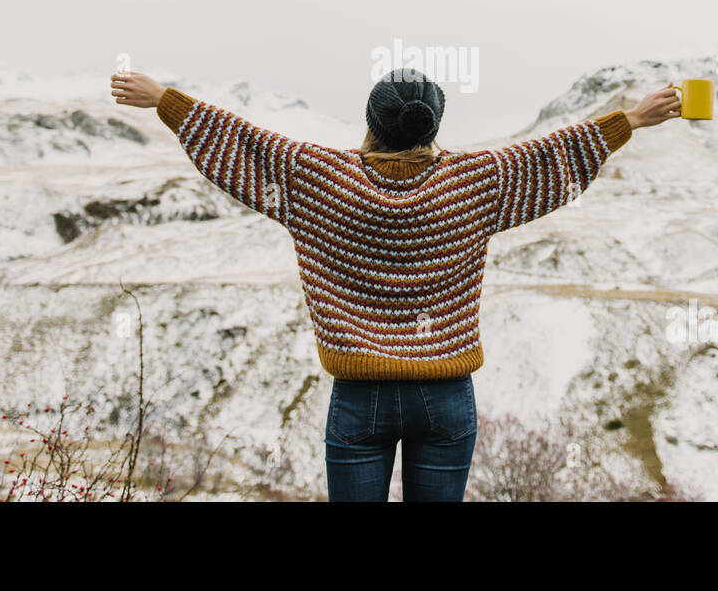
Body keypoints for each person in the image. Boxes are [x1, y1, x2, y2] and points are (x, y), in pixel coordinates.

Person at [111, 67, 681, 501]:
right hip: (447, 393)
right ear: (434, 125)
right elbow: (551, 157)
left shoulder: (314, 176)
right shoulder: (477, 181)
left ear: (372, 121)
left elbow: (240, 141)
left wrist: (164, 100)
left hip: (362, 395)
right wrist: (630, 118)